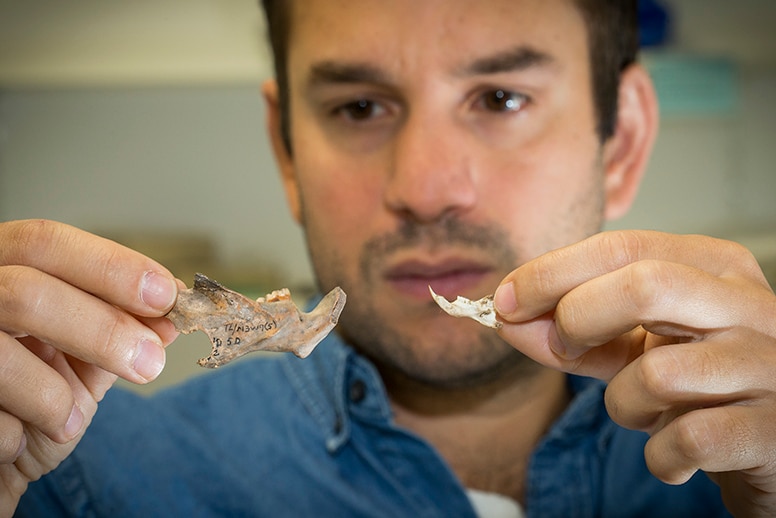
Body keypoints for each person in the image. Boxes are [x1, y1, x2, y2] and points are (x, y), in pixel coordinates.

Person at [5, 0, 776, 515]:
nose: (426, 188)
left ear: (625, 142)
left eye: (500, 98)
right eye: (360, 107)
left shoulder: (743, 472)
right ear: (287, 151)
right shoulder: (78, 481)